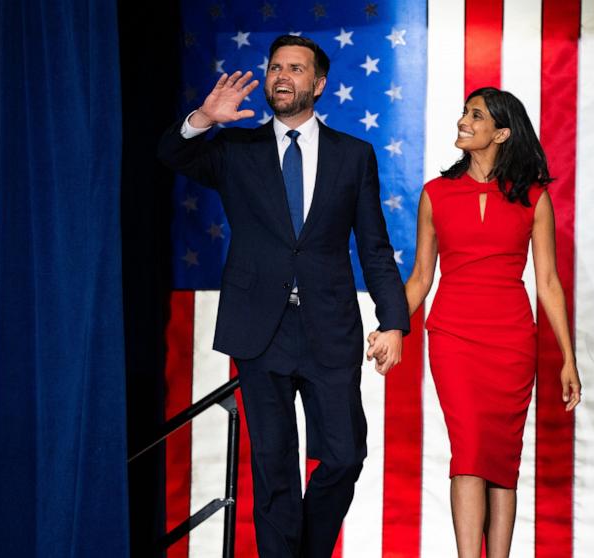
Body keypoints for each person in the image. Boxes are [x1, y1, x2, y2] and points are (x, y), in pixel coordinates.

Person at [158, 35, 408, 558]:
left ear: (318, 84)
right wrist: (202, 118)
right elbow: (171, 153)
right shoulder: (235, 150)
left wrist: (393, 322)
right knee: (274, 471)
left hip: (329, 328)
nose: (281, 76)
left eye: (295, 68)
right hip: (259, 330)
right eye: (275, 67)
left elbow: (375, 246)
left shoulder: (352, 155)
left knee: (344, 455)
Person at [368, 87, 581, 557]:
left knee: (502, 460)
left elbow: (547, 281)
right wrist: (391, 326)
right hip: (453, 337)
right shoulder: (435, 194)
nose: (463, 119)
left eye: (476, 115)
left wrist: (568, 358)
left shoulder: (534, 198)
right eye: (464, 111)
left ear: (501, 133)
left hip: (512, 341)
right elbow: (421, 277)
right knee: (468, 453)